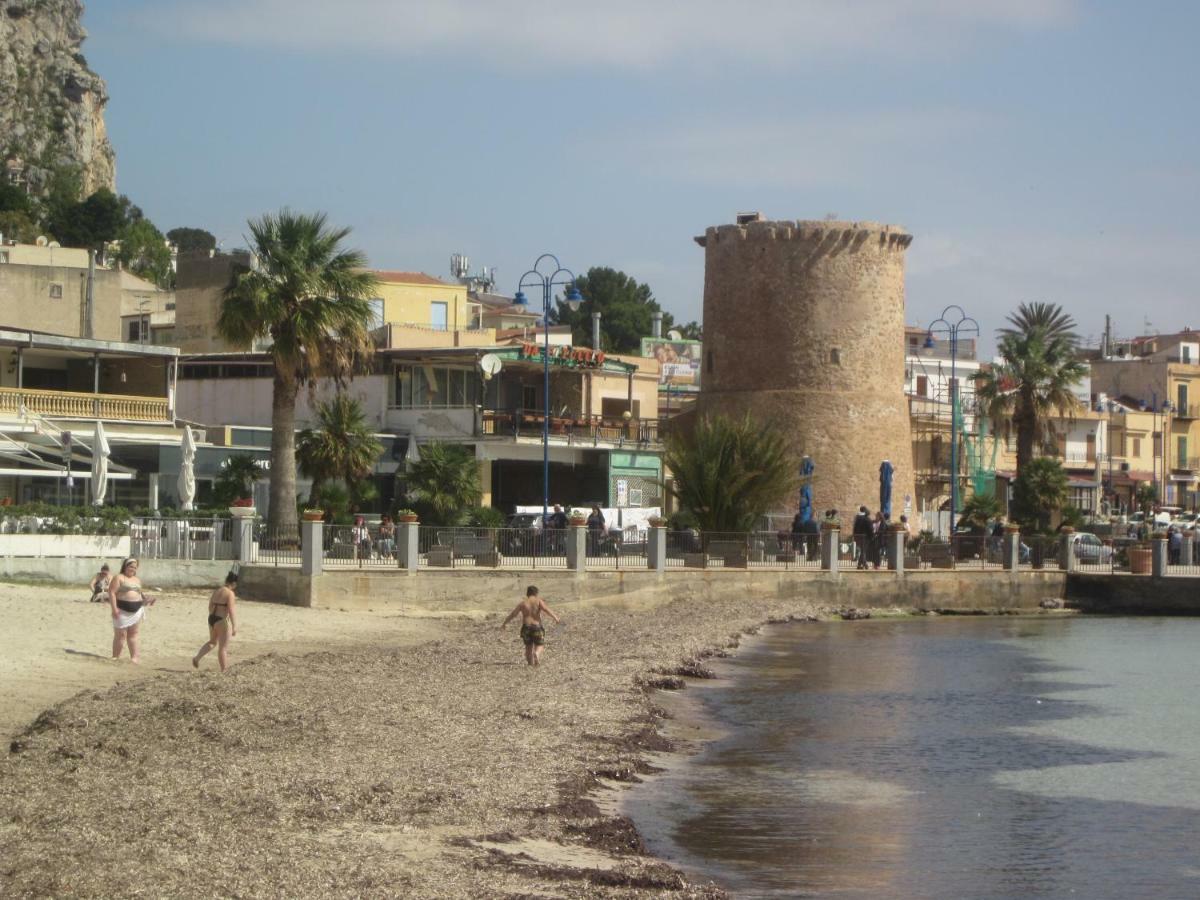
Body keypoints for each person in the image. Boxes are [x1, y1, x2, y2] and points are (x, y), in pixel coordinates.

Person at [108, 557, 157, 663]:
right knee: (120, 635)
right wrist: (114, 609)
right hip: (121, 609)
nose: (133, 569)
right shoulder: (119, 577)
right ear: (125, 566)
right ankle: (115, 657)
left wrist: (148, 599)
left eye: (135, 567)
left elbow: (140, 593)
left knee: (133, 634)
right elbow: (111, 592)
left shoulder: (137, 579)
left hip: (137, 610)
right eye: (131, 566)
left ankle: (134, 658)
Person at [501, 585, 562, 667]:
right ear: (536, 593)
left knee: (528, 647)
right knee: (540, 645)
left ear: (527, 594)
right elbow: (546, 610)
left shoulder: (523, 603)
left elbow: (513, 614)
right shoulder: (539, 601)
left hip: (526, 627)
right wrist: (556, 618)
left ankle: (530, 664)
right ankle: (536, 653)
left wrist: (505, 623)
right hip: (537, 627)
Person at [193, 571, 239, 672]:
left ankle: (197, 658)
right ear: (234, 584)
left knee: (212, 642)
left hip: (211, 619)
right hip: (222, 621)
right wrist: (234, 626)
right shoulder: (230, 593)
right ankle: (224, 670)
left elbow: (210, 607)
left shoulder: (217, 591)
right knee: (223, 648)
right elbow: (231, 610)